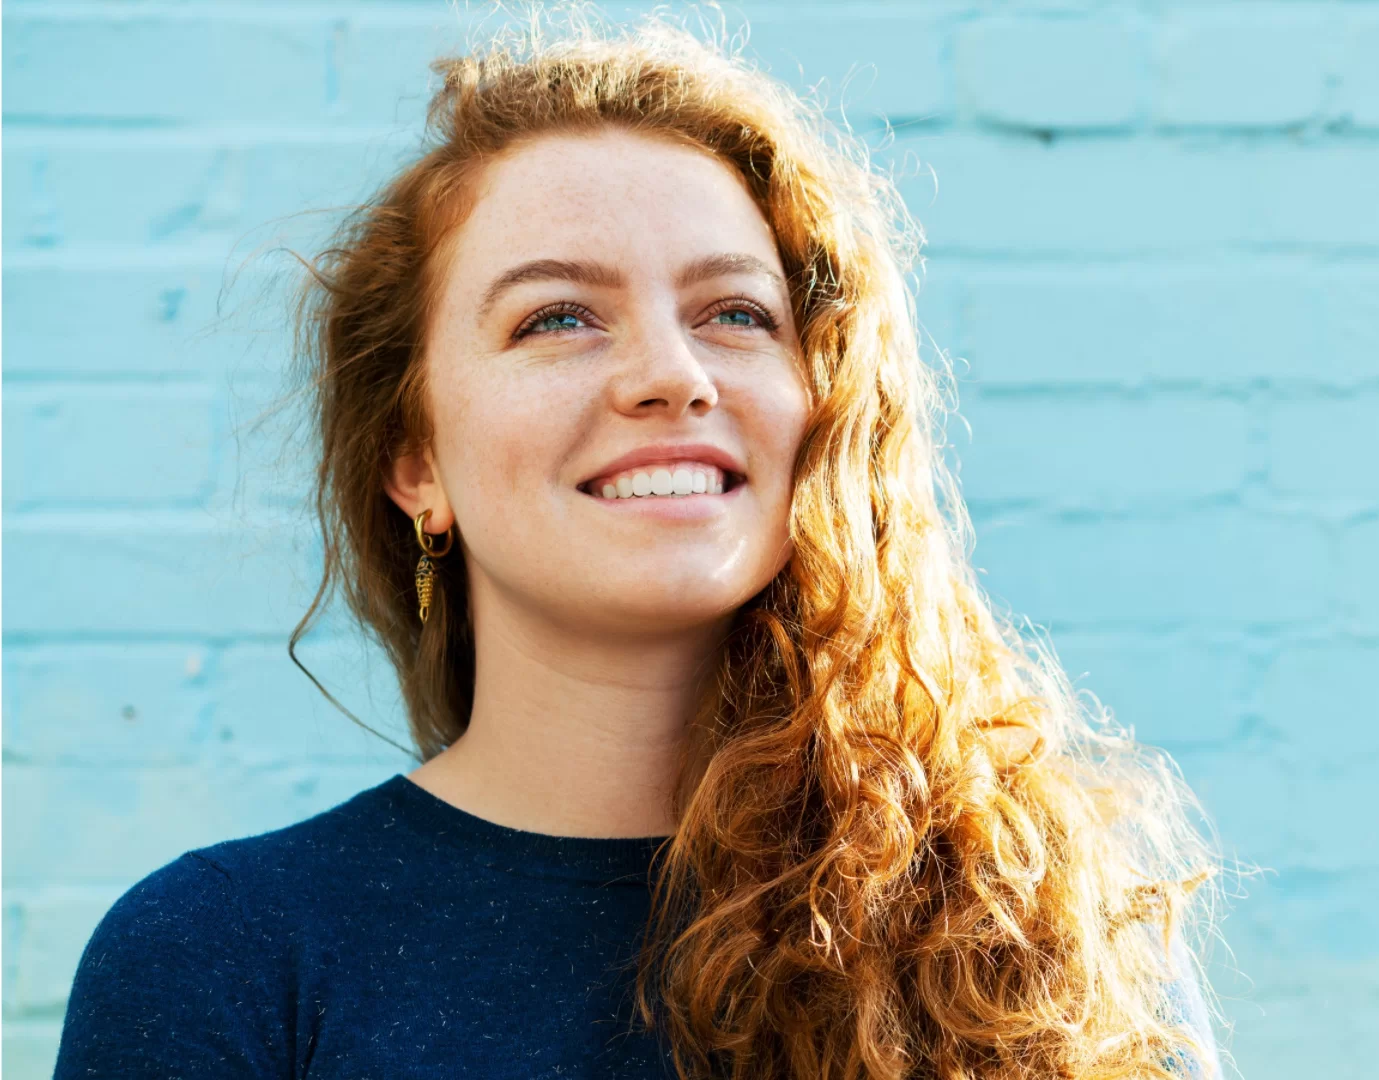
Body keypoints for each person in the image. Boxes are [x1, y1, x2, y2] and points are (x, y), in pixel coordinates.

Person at [52, 14, 1224, 1079]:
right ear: (417, 463)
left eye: (735, 314)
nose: (673, 373)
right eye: (557, 317)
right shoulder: (220, 958)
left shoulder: (1032, 924)